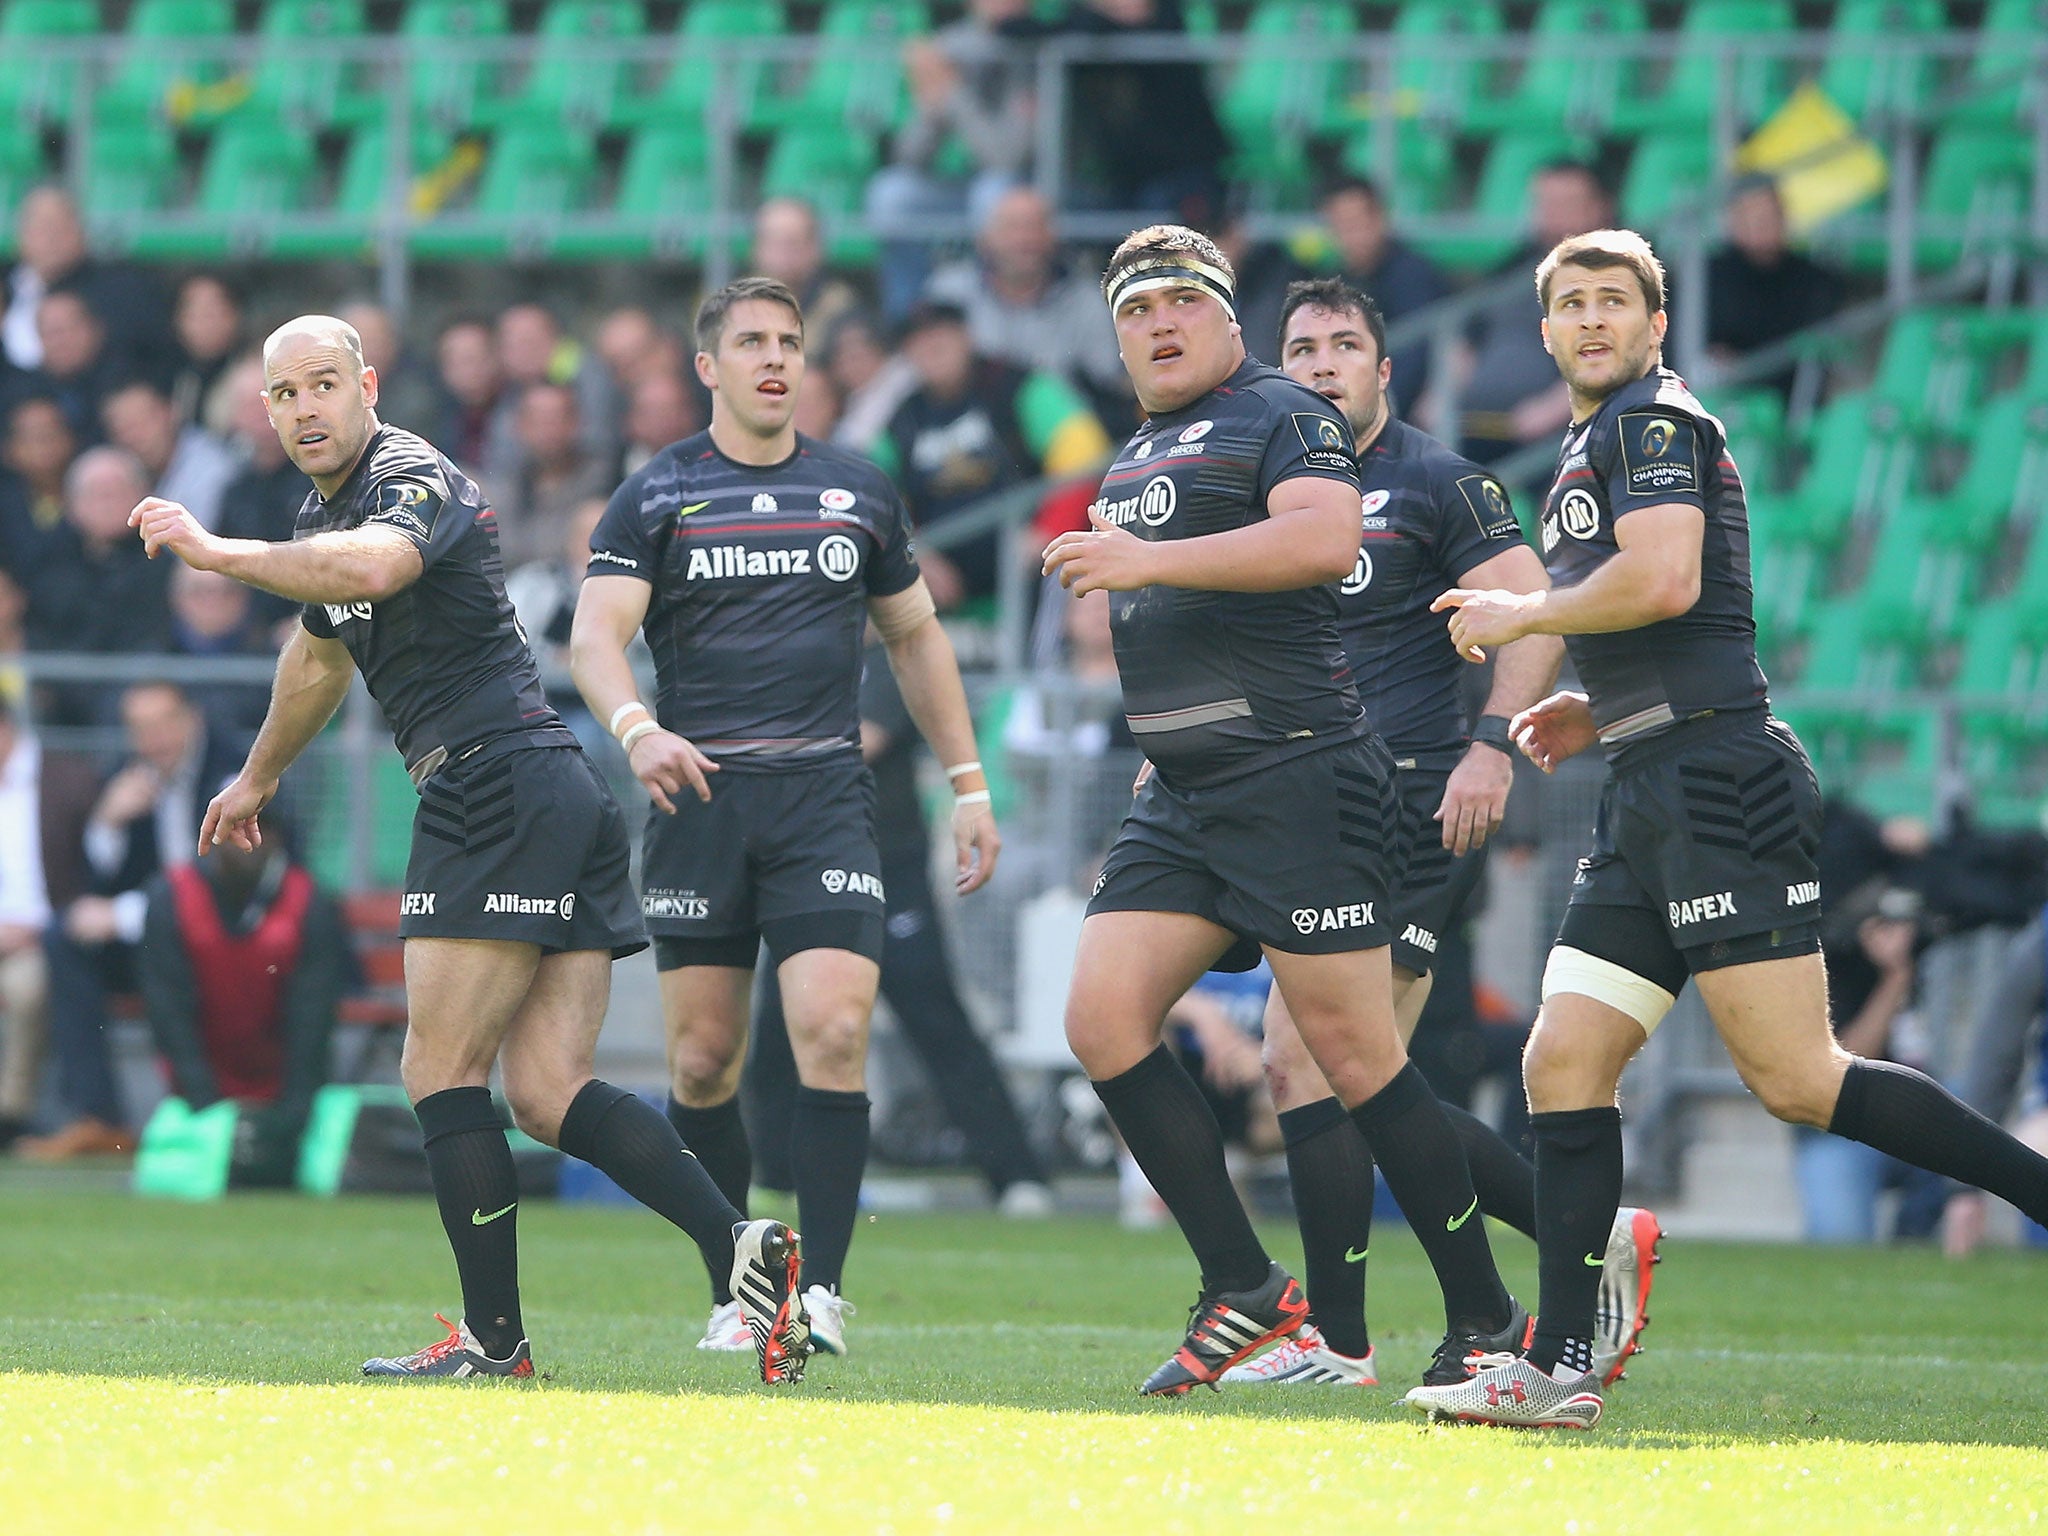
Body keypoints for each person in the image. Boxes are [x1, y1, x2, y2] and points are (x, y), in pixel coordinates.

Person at [1406, 229, 2048, 1429]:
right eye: (1570, 304)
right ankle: (1553, 1366)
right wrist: (1594, 709)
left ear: (1654, 325)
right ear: (1542, 332)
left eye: (1614, 301)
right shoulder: (1596, 439)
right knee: (1560, 1058)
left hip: (1715, 781)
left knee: (1798, 1081)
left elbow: (1662, 581)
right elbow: (1666, 623)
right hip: (1649, 782)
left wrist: (1518, 614)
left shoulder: (1653, 425)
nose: (1592, 320)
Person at [127, 314, 810, 1384]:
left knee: (437, 1069)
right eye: (283, 394)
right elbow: (316, 663)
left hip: (490, 783)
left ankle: (494, 1344)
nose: (305, 409)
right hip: (545, 791)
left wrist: (219, 552)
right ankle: (739, 1247)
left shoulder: (408, 475)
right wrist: (258, 775)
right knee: (544, 1092)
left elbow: (379, 564)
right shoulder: (322, 511)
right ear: (263, 408)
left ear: (368, 384)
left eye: (322, 385)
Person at [1041, 224, 1524, 1397]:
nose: (1156, 325)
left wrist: (1145, 566)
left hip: (1294, 773)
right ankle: (1244, 1289)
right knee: (1101, 1020)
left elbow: (1323, 538)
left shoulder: (1284, 413)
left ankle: (1488, 1323)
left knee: (1350, 1057)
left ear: (1226, 320)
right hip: (1184, 791)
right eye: (1133, 312)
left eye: (1178, 304)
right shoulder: (1137, 450)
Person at [1218, 276, 1656, 1392]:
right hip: (1305, 808)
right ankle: (1584, 1248)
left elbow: (1531, 612)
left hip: (1416, 800)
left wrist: (1489, 745)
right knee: (1353, 1074)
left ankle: (1349, 1337)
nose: (1320, 364)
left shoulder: (1436, 483)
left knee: (1311, 1060)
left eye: (1342, 345)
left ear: (1382, 369)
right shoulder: (1272, 490)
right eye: (1301, 347)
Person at [570, 277, 1001, 1361]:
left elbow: (915, 639)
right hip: (698, 802)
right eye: (750, 342)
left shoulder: (858, 491)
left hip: (823, 800)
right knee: (705, 1062)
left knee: (832, 1030)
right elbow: (592, 636)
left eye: (790, 342)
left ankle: (823, 1297)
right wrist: (636, 730)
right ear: (706, 367)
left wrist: (967, 785)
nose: (774, 358)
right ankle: (737, 1285)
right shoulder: (656, 495)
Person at [743, 640, 1053, 1223]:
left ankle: (1017, 1175)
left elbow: (864, 740)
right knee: (778, 1027)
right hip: (804, 869)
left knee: (937, 1020)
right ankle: (775, 1180)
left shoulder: (888, 659)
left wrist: (769, 755)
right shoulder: (796, 652)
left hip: (889, 866)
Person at [20, 680, 240, 1161]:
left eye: (164, 723)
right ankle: (100, 1119)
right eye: (140, 728)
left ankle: (195, 1112)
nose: (154, 739)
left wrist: (122, 915)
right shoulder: (128, 776)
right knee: (64, 939)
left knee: (158, 951)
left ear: (192, 719)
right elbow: (96, 879)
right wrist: (107, 822)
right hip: (156, 942)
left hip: (231, 939)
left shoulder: (233, 770)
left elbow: (224, 886)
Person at [136, 803, 346, 1186]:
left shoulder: (309, 902)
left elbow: (312, 1017)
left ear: (278, 837)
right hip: (198, 1099)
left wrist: (295, 1114)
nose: (244, 841)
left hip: (283, 1092)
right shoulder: (170, 897)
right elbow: (168, 1012)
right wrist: (208, 1109)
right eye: (230, 827)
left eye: (256, 827)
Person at [876, 300, 1112, 608]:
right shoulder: (903, 419)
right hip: (947, 594)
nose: (931, 345)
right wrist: (913, 552)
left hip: (1034, 575)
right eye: (918, 340)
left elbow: (1083, 450)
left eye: (941, 334)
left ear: (966, 336)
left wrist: (1050, 531)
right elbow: (873, 493)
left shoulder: (1016, 385)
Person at [865, 0, 1037, 320]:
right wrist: (930, 106)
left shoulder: (1038, 45)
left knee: (993, 194)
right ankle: (911, 317)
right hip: (967, 185)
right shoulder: (948, 45)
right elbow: (909, 158)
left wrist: (953, 94)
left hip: (1036, 188)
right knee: (890, 194)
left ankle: (987, 319)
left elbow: (1007, 158)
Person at [1455, 162, 1613, 465]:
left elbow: (1612, 360)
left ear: (1598, 208)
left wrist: (1555, 407)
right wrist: (1441, 397)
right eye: (1545, 203)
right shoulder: (1512, 267)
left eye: (1566, 204)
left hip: (1557, 427)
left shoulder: (1615, 276)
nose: (1553, 214)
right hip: (1479, 424)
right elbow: (1467, 338)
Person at [924, 186, 1130, 419]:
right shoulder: (949, 292)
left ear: (1053, 236)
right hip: (967, 433)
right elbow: (922, 377)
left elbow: (1110, 386)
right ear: (984, 238)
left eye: (1034, 227)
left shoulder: (1088, 301)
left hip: (1063, 435)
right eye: (1012, 228)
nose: (1024, 240)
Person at [1316, 177, 1451, 412]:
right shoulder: (1331, 282)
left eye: (1358, 223)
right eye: (1342, 226)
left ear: (1380, 218)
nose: (1352, 236)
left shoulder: (1413, 274)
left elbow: (1416, 354)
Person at [1705, 175, 1845, 395]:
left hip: (1788, 394)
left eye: (1769, 215)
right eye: (1751, 216)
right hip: (1721, 393)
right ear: (1734, 220)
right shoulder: (1706, 275)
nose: (1761, 225)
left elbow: (1811, 350)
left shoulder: (1814, 279)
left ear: (1783, 217)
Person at [0, 695, 50, 1150]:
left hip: (35, 938)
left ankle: (9, 1116)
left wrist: (34, 927)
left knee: (28, 987)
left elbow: (78, 876)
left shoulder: (57, 777)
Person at [496, 382, 611, 571]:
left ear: (577, 422)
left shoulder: (604, 480)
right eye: (538, 421)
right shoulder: (505, 488)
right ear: (520, 426)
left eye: (557, 419)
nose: (548, 430)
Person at [102, 380, 240, 533]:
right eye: (124, 429)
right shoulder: (128, 474)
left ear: (171, 412)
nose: (136, 436)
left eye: (144, 421)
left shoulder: (213, 469)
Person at [750, 198, 862, 352]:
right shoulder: (730, 306)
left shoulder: (840, 305)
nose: (784, 254)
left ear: (816, 248)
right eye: (775, 242)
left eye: (793, 242)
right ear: (757, 248)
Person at [0, 394, 76, 581]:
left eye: (51, 432)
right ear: (9, 450)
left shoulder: (96, 491)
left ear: (70, 438)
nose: (43, 443)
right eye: (31, 436)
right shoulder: (5, 512)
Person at [168, 274, 243, 428]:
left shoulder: (254, 376)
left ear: (235, 315)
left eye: (212, 312)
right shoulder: (177, 380)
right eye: (193, 314)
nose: (205, 323)